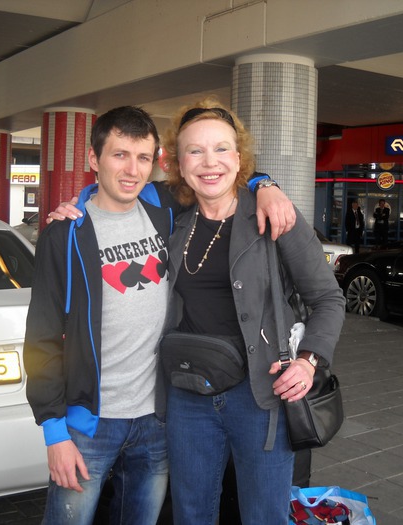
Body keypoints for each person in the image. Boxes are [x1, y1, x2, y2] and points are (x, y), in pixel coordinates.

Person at [24, 105, 296, 525]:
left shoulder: (163, 208)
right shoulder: (65, 234)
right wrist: (54, 433)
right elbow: (41, 338)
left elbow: (216, 174)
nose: (132, 170)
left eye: (143, 158)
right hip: (89, 424)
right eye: (119, 155)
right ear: (94, 159)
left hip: (158, 419)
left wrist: (266, 185)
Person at [160, 97, 345, 524]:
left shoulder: (275, 215)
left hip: (261, 394)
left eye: (221, 148)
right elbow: (114, 191)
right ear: (179, 164)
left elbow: (328, 299)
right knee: (191, 513)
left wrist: (309, 361)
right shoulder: (175, 221)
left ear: (239, 158)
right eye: (195, 151)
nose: (210, 162)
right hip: (188, 391)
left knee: (264, 514)